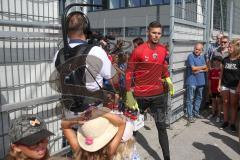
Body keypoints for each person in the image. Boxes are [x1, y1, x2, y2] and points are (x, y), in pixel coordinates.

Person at [125, 21, 174, 160]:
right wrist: (129, 93)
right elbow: (129, 72)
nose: (156, 36)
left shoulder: (163, 49)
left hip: (158, 96)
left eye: (159, 33)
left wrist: (168, 79)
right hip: (140, 97)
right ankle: (129, 155)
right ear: (148, 32)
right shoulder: (138, 50)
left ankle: (167, 158)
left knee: (162, 127)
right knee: (132, 128)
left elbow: (163, 66)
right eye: (153, 32)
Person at [53, 12, 117, 114]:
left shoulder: (58, 54)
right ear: (86, 29)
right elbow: (113, 80)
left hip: (68, 109)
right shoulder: (97, 51)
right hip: (92, 111)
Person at [61, 108, 138, 160]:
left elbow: (64, 126)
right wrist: (99, 112)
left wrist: (78, 120)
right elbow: (122, 123)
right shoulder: (109, 153)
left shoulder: (79, 151)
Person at [218, 39, 240, 132]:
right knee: (225, 103)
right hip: (225, 85)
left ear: (236, 48)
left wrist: (239, 86)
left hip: (235, 86)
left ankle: (233, 124)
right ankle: (226, 121)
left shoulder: (239, 60)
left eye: (230, 46)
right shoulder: (225, 59)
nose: (228, 48)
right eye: (229, 46)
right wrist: (219, 84)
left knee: (233, 105)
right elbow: (221, 73)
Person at [186, 42, 208, 122]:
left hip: (201, 81)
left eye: (199, 49)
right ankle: (190, 115)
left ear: (202, 50)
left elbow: (206, 69)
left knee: (199, 98)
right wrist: (202, 68)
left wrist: (199, 69)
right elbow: (193, 68)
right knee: (190, 99)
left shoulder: (202, 57)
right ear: (194, 48)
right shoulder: (190, 56)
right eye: (196, 49)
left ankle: (196, 113)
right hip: (192, 81)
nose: (197, 51)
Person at [207, 56, 222, 122]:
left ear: (220, 62)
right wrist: (209, 89)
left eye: (218, 61)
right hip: (212, 89)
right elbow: (210, 80)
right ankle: (213, 113)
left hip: (219, 89)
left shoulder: (221, 71)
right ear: (213, 62)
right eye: (215, 60)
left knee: (219, 102)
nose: (216, 62)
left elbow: (222, 80)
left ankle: (219, 115)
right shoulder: (211, 70)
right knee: (213, 101)